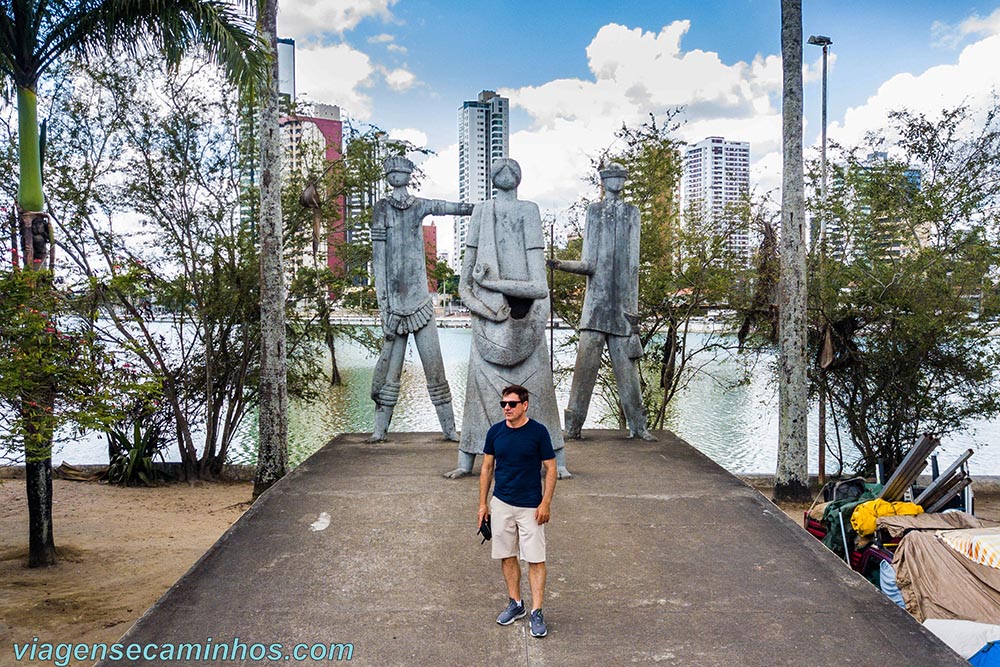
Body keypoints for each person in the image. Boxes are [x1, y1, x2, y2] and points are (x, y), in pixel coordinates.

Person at [445, 157, 570, 478]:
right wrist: (486, 309)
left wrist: (492, 284)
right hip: (489, 320)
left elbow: (539, 287)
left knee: (539, 392)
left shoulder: (528, 211)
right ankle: (465, 460)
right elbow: (465, 285)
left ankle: (556, 459)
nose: (505, 171)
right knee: (479, 396)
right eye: (499, 168)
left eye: (511, 169)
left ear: (520, 177)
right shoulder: (481, 212)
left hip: (526, 319)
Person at [548, 162, 657, 441]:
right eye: (611, 177)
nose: (616, 182)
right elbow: (588, 263)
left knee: (628, 373)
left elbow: (633, 268)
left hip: (622, 311)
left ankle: (638, 426)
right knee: (584, 371)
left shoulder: (633, 213)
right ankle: (573, 427)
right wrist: (560, 264)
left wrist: (633, 315)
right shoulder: (594, 212)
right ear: (604, 181)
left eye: (621, 177)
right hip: (595, 309)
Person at [368, 155, 472, 442]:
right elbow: (379, 262)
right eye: (391, 172)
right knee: (390, 376)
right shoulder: (381, 208)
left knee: (435, 371)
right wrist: (384, 307)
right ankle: (379, 430)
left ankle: (449, 429)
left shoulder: (419, 205)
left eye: (401, 171)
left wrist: (479, 209)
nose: (396, 175)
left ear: (409, 175)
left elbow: (447, 207)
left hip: (422, 305)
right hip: (394, 310)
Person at [477, 384, 556, 638]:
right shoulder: (495, 432)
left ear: (525, 405)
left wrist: (545, 503)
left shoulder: (538, 432)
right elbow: (487, 468)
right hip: (501, 503)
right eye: (504, 404)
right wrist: (483, 504)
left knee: (535, 559)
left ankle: (537, 612)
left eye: (512, 404)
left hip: (531, 506)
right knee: (507, 555)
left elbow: (551, 468)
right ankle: (516, 603)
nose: (507, 408)